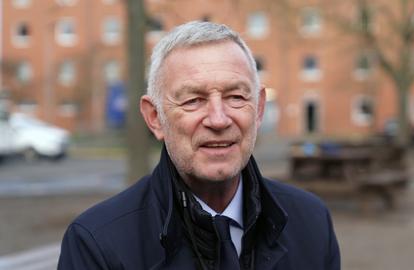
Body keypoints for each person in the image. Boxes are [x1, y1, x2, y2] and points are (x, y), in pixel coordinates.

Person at [58, 21, 340, 270]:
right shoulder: (97, 244)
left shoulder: (311, 223)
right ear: (155, 118)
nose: (218, 119)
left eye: (236, 97)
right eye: (193, 100)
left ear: (259, 109)